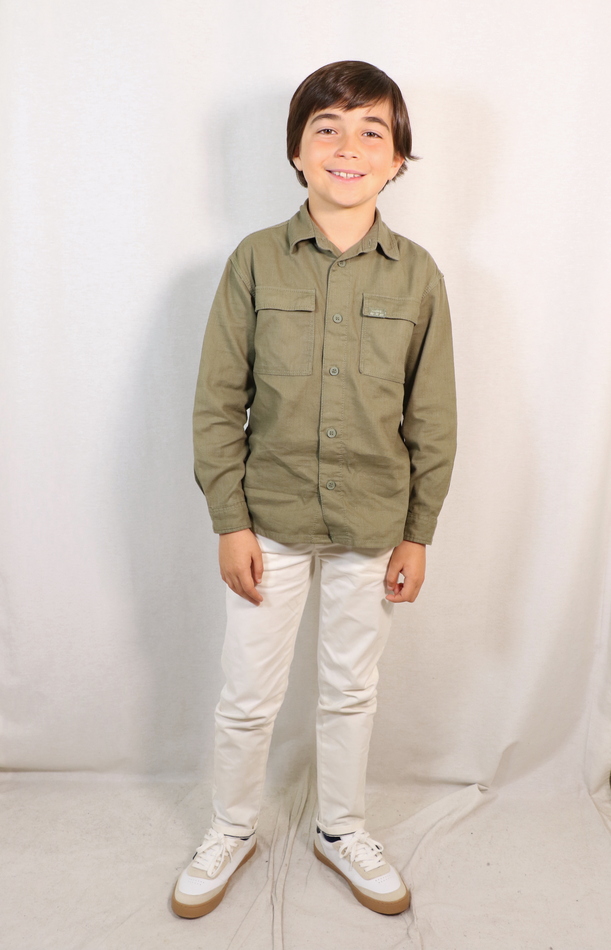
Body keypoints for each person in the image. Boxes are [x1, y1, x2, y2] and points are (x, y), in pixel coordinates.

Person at [171, 60, 457, 919]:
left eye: (371, 131)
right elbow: (217, 400)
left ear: (397, 159)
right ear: (296, 151)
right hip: (270, 518)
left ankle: (340, 828)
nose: (347, 146)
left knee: (349, 689)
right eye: (326, 128)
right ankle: (231, 826)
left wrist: (417, 532)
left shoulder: (417, 275)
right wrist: (229, 520)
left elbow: (432, 416)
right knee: (247, 694)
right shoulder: (255, 262)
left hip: (374, 522)